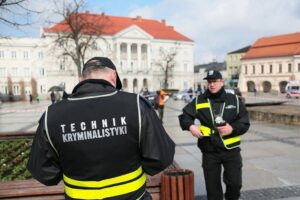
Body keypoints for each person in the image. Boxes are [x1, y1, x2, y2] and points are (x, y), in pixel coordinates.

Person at [27, 57, 175, 200]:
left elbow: (44, 172)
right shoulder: (136, 105)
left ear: (81, 79)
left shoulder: (52, 114)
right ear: (113, 76)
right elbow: (161, 156)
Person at [178, 70, 250, 200]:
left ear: (221, 82)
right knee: (212, 189)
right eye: (209, 82)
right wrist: (191, 126)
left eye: (215, 81)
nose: (212, 85)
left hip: (231, 150)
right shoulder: (199, 100)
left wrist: (232, 128)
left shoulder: (234, 100)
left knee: (235, 184)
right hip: (209, 149)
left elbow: (245, 122)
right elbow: (184, 116)